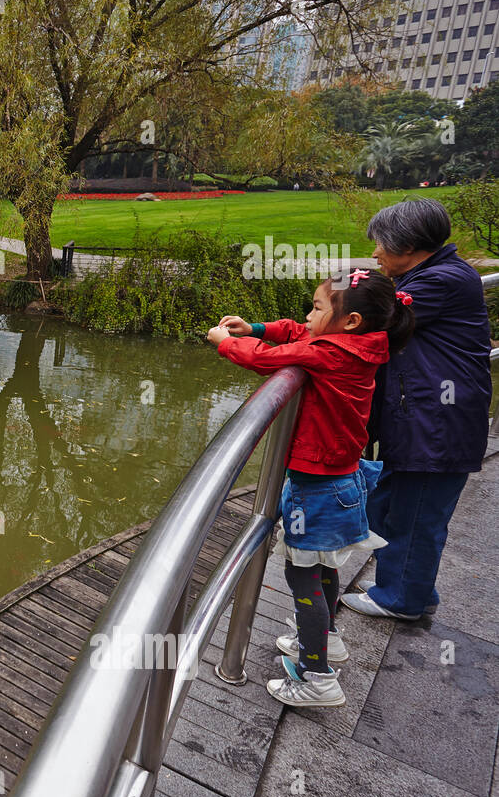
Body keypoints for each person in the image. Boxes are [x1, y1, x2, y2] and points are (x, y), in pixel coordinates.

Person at [207, 269, 415, 706]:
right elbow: (299, 332)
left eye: (318, 306)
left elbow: (265, 358)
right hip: (339, 478)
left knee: (301, 575)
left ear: (351, 320)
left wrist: (226, 341)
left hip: (317, 486)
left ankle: (316, 676)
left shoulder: (332, 353)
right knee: (323, 567)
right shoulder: (355, 344)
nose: (308, 314)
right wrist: (257, 327)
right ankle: (330, 638)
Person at [343, 198, 493, 621]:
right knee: (397, 505)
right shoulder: (437, 273)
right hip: (425, 418)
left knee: (416, 512)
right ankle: (413, 590)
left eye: (380, 245)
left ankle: (401, 600)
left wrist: (288, 334)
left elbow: (362, 321)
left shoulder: (436, 282)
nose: (374, 254)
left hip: (436, 424)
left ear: (407, 246)